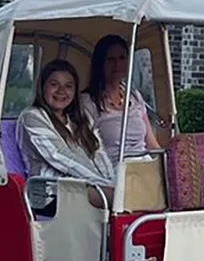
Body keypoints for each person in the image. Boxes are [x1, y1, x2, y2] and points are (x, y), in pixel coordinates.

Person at [16, 59, 116, 213]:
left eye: (69, 86)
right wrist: (101, 184)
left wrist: (111, 181)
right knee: (112, 198)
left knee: (124, 196)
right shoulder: (32, 116)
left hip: (81, 184)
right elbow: (60, 156)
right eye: (54, 84)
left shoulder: (81, 119)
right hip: (45, 192)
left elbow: (99, 153)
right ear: (42, 87)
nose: (62, 91)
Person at [80, 34, 162, 164]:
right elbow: (87, 149)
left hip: (144, 167)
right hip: (114, 170)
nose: (117, 64)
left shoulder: (134, 96)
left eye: (122, 58)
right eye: (111, 59)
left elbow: (152, 145)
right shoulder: (87, 102)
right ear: (101, 63)